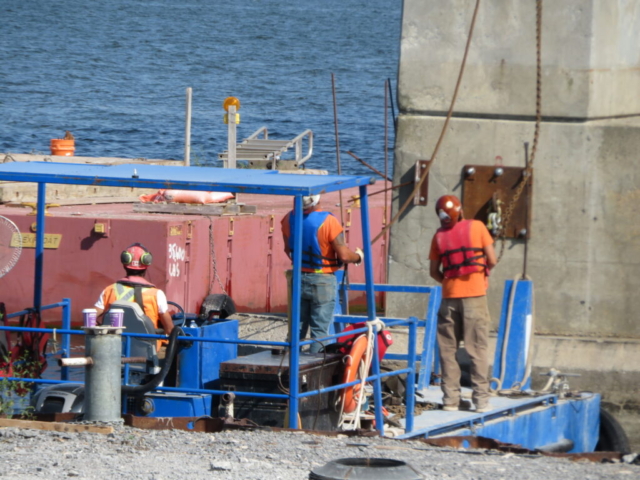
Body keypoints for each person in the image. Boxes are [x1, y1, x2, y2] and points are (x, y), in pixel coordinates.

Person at [429, 195, 497, 413]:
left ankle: (450, 400)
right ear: (459, 211)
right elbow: (492, 260)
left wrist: (449, 283)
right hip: (475, 298)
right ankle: (481, 402)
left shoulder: (438, 236)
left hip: (449, 299)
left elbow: (433, 271)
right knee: (477, 350)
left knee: (447, 351)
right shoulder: (477, 227)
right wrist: (479, 277)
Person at [281, 195, 363, 353]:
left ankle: (290, 364)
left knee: (296, 329)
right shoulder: (329, 221)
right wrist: (358, 257)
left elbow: (287, 249)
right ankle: (314, 369)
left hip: (298, 277)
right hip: (322, 280)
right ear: (317, 200)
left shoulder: (288, 218)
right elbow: (344, 256)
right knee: (319, 331)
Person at [95, 243, 174, 349]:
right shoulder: (156, 294)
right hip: (146, 352)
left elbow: (90, 315)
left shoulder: (109, 290)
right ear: (146, 265)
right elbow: (169, 329)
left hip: (112, 349)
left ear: (124, 265)